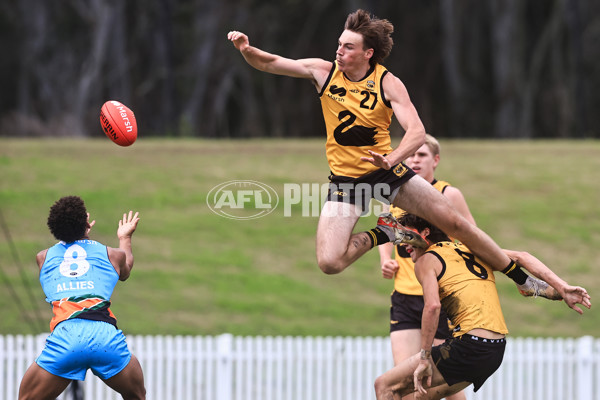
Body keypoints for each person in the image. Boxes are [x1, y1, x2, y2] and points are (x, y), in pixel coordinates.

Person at [227, 9, 519, 278]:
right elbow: (270, 63)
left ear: (368, 53)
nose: (339, 51)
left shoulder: (387, 82)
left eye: (348, 47)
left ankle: (519, 276)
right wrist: (246, 49)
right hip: (346, 181)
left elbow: (417, 132)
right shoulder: (323, 72)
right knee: (329, 262)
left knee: (454, 224)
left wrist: (392, 160)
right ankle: (387, 232)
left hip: (387, 172)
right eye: (339, 44)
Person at [373, 213, 591, 400]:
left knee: (384, 385)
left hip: (469, 346)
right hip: (494, 351)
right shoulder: (467, 249)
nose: (403, 245)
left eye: (406, 236)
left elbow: (432, 307)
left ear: (425, 233)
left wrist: (424, 357)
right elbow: (522, 257)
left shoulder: (426, 261)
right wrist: (561, 287)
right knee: (414, 397)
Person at [18, 196, 146, 400]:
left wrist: (78, 234)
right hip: (105, 339)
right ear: (86, 223)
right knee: (138, 395)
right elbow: (125, 269)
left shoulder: (43, 258)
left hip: (66, 339)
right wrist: (125, 238)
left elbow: (70, 253)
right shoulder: (113, 255)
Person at [379, 134, 472, 400]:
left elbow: (473, 236)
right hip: (405, 300)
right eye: (410, 155)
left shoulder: (448, 194)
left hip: (442, 298)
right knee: (405, 384)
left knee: (446, 388)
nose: (415, 160)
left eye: (422, 155)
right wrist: (386, 260)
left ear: (436, 160)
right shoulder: (392, 194)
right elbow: (385, 231)